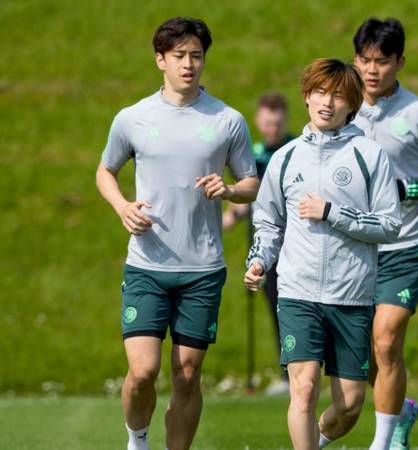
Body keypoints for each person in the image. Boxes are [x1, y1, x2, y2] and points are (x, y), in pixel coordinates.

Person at [95, 17, 259, 450]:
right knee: (143, 372)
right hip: (148, 265)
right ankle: (137, 439)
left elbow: (251, 182)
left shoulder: (228, 120)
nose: (189, 64)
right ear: (160, 60)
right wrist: (122, 207)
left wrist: (229, 190)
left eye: (197, 56)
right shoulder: (133, 118)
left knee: (187, 374)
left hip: (203, 269)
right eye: (180, 56)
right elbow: (105, 171)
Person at [244, 58, 402, 450]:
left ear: (352, 105)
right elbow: (269, 223)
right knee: (304, 388)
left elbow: (389, 224)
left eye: (337, 96)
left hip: (351, 296)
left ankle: (312, 442)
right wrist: (260, 260)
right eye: (319, 93)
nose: (327, 103)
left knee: (349, 404)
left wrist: (333, 213)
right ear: (306, 97)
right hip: (297, 292)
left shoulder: (370, 155)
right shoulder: (285, 158)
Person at [330, 17, 418, 450]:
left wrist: (409, 189)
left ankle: (383, 442)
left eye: (383, 62)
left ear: (400, 62)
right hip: (351, 248)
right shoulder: (338, 110)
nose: (372, 70)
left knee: (386, 338)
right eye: (365, 61)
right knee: (365, 350)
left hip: (403, 245)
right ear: (355, 60)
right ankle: (402, 410)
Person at [222, 92, 294, 395]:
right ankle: (289, 373)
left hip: (296, 241)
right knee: (276, 304)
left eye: (277, 123)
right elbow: (248, 193)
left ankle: (300, 371)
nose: (272, 129)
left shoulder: (295, 150)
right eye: (267, 123)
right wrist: (234, 211)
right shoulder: (253, 155)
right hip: (266, 244)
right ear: (258, 122)